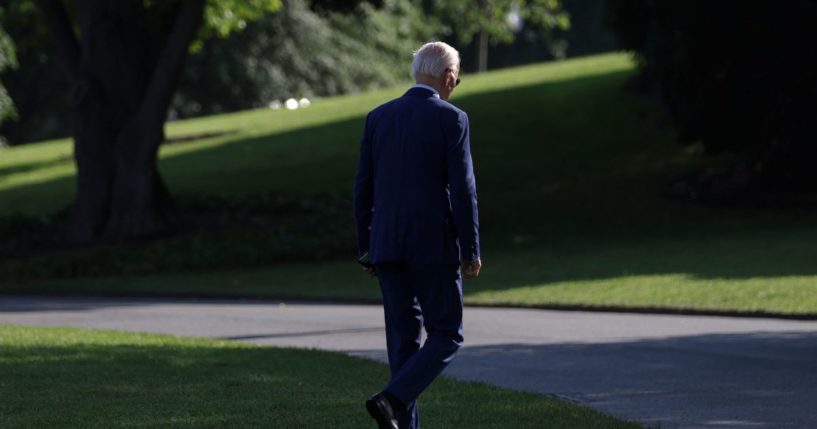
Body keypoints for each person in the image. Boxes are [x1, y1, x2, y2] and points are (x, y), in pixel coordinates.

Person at [353, 41, 482, 429]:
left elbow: (363, 188)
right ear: (447, 76)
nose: (454, 86)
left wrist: (367, 247)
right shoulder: (452, 119)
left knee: (404, 344)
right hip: (433, 245)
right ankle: (391, 399)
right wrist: (471, 248)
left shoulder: (378, 118)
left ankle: (397, 416)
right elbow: (463, 189)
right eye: (456, 80)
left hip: (387, 245)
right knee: (447, 334)